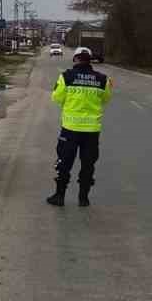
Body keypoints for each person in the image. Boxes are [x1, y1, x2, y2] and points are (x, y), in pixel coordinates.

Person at [47, 46, 113, 207]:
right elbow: (105, 99)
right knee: (88, 164)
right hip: (91, 131)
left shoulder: (66, 77)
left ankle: (59, 196)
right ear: (90, 60)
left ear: (75, 59)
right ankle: (83, 198)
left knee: (64, 163)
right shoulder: (103, 79)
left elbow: (56, 97)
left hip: (70, 129)